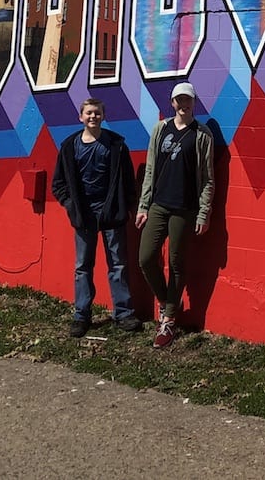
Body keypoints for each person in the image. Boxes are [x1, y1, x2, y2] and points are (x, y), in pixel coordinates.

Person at [51, 97, 140, 336]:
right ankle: (81, 316)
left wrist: (127, 206)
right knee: (83, 267)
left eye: (97, 113)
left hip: (111, 213)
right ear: (81, 116)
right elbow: (58, 183)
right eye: (89, 113)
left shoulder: (116, 145)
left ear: (103, 116)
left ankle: (123, 314)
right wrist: (70, 205)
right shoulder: (69, 147)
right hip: (84, 215)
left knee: (118, 264)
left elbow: (128, 180)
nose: (93, 117)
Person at [136, 81, 214, 349]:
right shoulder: (160, 129)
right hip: (159, 204)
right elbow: (150, 169)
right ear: (172, 103)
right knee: (146, 258)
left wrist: (203, 213)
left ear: (194, 103)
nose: (184, 104)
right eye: (179, 100)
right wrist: (143, 205)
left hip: (184, 208)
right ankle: (169, 301)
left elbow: (207, 178)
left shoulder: (202, 135)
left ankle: (168, 320)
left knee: (176, 262)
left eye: (188, 100)